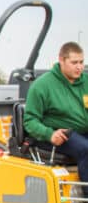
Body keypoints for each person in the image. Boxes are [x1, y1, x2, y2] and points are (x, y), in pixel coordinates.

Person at [23, 41, 88, 182]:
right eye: (74, 62)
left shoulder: (86, 82)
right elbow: (30, 121)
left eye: (81, 62)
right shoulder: (42, 85)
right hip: (60, 134)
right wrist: (50, 134)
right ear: (61, 60)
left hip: (83, 132)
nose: (79, 67)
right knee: (86, 149)